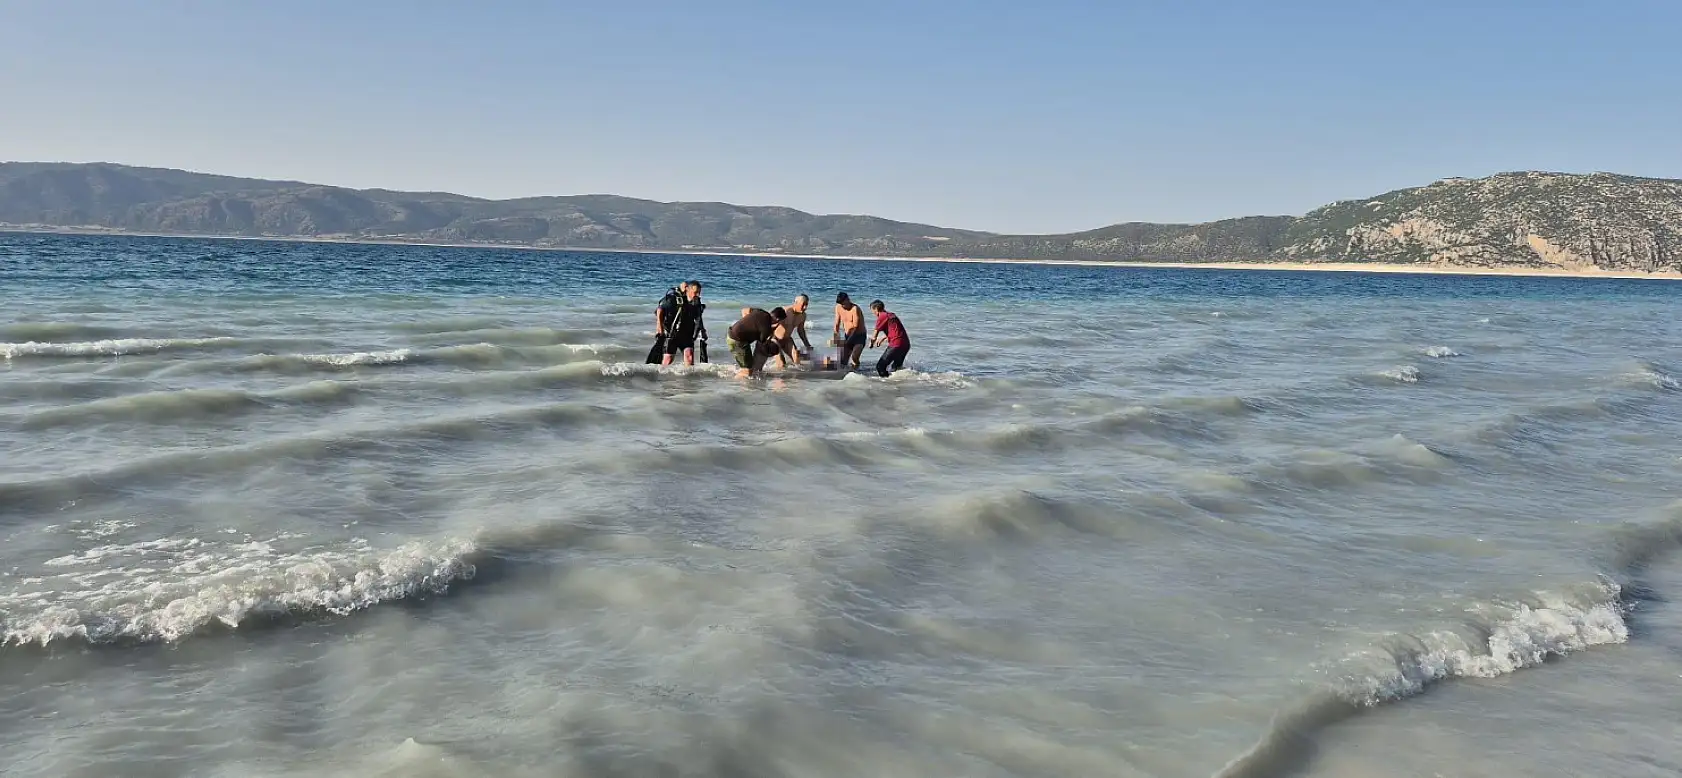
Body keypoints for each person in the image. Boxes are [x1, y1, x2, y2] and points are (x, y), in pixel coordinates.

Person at [727, 306, 787, 378]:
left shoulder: (760, 311)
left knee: (749, 367)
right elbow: (762, 342)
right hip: (738, 341)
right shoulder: (766, 327)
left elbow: (746, 310)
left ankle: (741, 381)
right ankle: (736, 385)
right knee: (747, 370)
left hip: (732, 335)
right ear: (778, 319)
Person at [661, 280, 707, 367]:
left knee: (689, 356)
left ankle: (689, 379)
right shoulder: (675, 299)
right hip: (673, 333)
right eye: (695, 292)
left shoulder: (697, 302)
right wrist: (659, 327)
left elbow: (698, 318)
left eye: (699, 293)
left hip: (687, 334)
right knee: (668, 359)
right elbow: (660, 310)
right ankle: (661, 377)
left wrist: (703, 330)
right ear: (688, 290)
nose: (698, 295)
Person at [647, 282, 688, 364]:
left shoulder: (687, 298)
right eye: (686, 288)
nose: (687, 290)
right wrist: (660, 328)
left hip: (678, 331)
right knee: (665, 355)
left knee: (687, 354)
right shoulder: (672, 297)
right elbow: (659, 311)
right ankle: (659, 369)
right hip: (668, 330)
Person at [867, 300, 910, 377]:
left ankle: (886, 384)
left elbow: (874, 335)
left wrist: (871, 343)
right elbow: (896, 330)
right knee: (896, 368)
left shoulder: (882, 316)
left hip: (896, 345)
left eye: (872, 311)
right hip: (905, 344)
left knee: (880, 367)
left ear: (876, 309)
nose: (873, 313)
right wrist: (883, 338)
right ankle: (897, 383)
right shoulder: (891, 315)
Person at [772, 293, 814, 369]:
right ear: (796, 303)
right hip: (775, 339)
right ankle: (779, 379)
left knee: (797, 361)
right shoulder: (785, 311)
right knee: (781, 364)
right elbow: (769, 323)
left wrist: (807, 344)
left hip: (787, 339)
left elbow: (801, 331)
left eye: (807, 305)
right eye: (803, 304)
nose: (805, 307)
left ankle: (795, 380)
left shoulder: (803, 316)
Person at [832, 292, 866, 371]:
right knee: (842, 361)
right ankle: (844, 374)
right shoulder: (838, 307)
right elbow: (837, 324)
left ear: (848, 300)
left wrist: (847, 342)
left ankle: (857, 369)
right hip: (847, 335)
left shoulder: (855, 309)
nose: (843, 306)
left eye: (844, 304)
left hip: (859, 336)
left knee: (854, 356)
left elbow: (855, 327)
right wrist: (836, 338)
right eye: (841, 304)